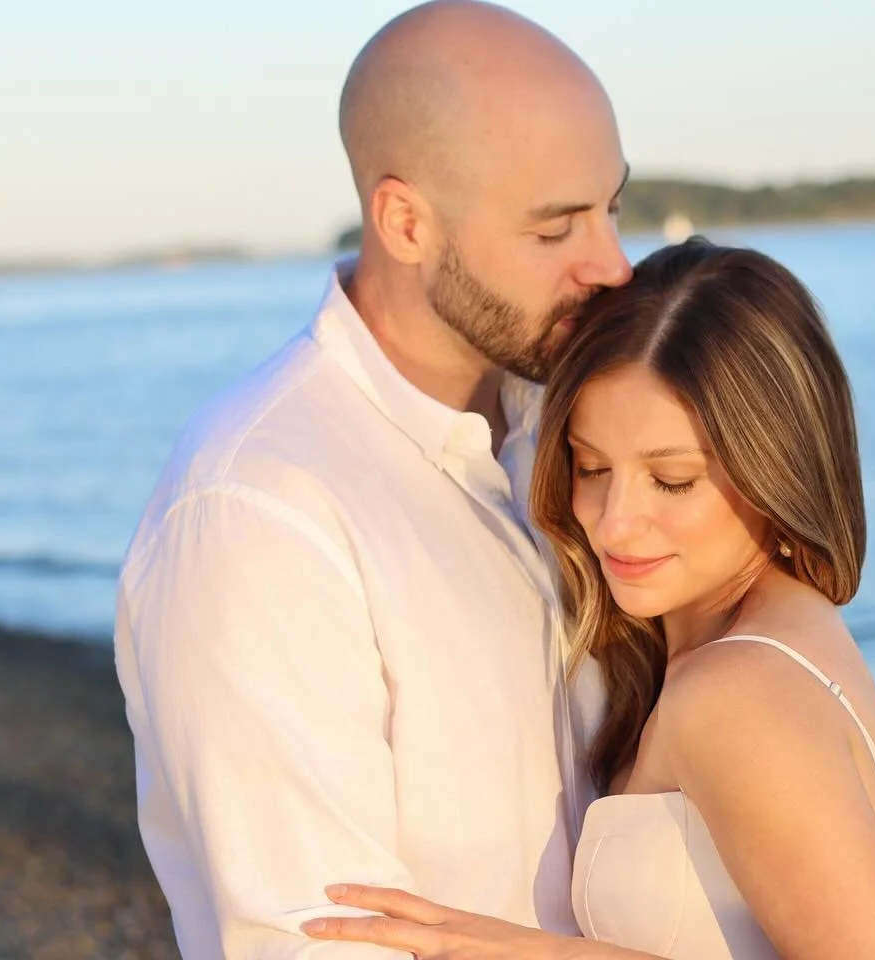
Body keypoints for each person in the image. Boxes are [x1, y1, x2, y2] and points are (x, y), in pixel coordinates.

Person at [112, 1, 631, 956]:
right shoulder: (261, 510)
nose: (614, 266)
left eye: (613, 208)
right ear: (405, 221)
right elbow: (312, 941)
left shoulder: (579, 438)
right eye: (556, 230)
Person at [302, 240, 875, 959]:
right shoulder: (784, 632)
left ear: (777, 469)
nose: (613, 521)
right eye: (592, 465)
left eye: (672, 479)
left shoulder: (737, 693)